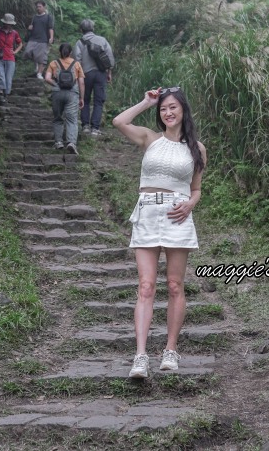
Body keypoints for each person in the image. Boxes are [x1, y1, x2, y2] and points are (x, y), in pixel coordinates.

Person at [112, 86, 206, 379]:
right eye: (163, 108)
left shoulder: (197, 149)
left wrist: (190, 204)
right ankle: (140, 355)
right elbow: (119, 122)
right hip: (148, 213)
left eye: (173, 107)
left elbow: (196, 188)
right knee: (146, 286)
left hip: (177, 216)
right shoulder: (149, 138)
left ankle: (170, 350)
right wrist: (145, 101)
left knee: (176, 285)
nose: (168, 112)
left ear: (183, 111)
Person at [73, 19, 115, 136]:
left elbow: (77, 60)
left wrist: (78, 77)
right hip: (101, 73)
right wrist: (109, 72)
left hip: (85, 74)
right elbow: (110, 58)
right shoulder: (102, 40)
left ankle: (85, 126)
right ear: (93, 28)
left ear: (81, 30)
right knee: (98, 101)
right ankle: (95, 128)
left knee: (85, 100)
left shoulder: (79, 43)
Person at [44, 43, 85, 154]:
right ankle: (71, 142)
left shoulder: (53, 63)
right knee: (72, 119)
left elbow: (47, 78)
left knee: (58, 118)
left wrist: (55, 84)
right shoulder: (76, 64)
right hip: (72, 94)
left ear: (59, 52)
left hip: (57, 93)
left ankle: (58, 142)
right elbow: (81, 82)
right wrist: (82, 98)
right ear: (71, 53)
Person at [0, 13, 23, 102]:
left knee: (8, 77)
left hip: (10, 57)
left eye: (9, 23)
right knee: (0, 75)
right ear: (4, 23)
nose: (8, 25)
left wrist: (15, 52)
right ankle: (1, 93)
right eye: (6, 23)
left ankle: (6, 94)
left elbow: (20, 44)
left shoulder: (14, 33)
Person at [23, 0, 55, 79]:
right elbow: (30, 27)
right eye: (37, 7)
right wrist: (29, 28)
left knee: (41, 58)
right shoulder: (34, 17)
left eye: (40, 6)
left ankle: (39, 73)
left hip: (43, 39)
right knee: (27, 52)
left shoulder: (48, 17)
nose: (38, 8)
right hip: (33, 38)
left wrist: (51, 37)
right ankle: (36, 64)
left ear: (44, 7)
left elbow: (50, 28)